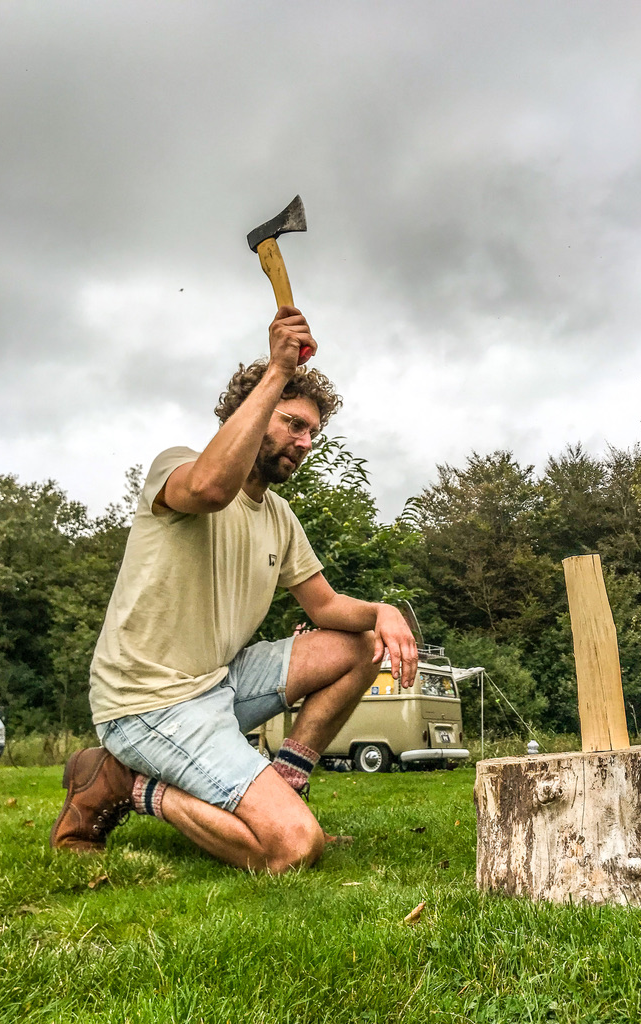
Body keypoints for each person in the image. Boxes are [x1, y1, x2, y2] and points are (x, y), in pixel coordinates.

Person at [50, 306, 418, 873]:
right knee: (293, 849)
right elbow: (213, 488)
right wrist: (277, 370)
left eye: (314, 432)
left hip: (219, 683)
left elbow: (324, 607)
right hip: (148, 703)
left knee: (364, 642)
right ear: (253, 411)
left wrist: (382, 611)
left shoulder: (279, 516)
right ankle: (133, 784)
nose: (305, 441)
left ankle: (288, 780)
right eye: (293, 423)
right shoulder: (178, 467)